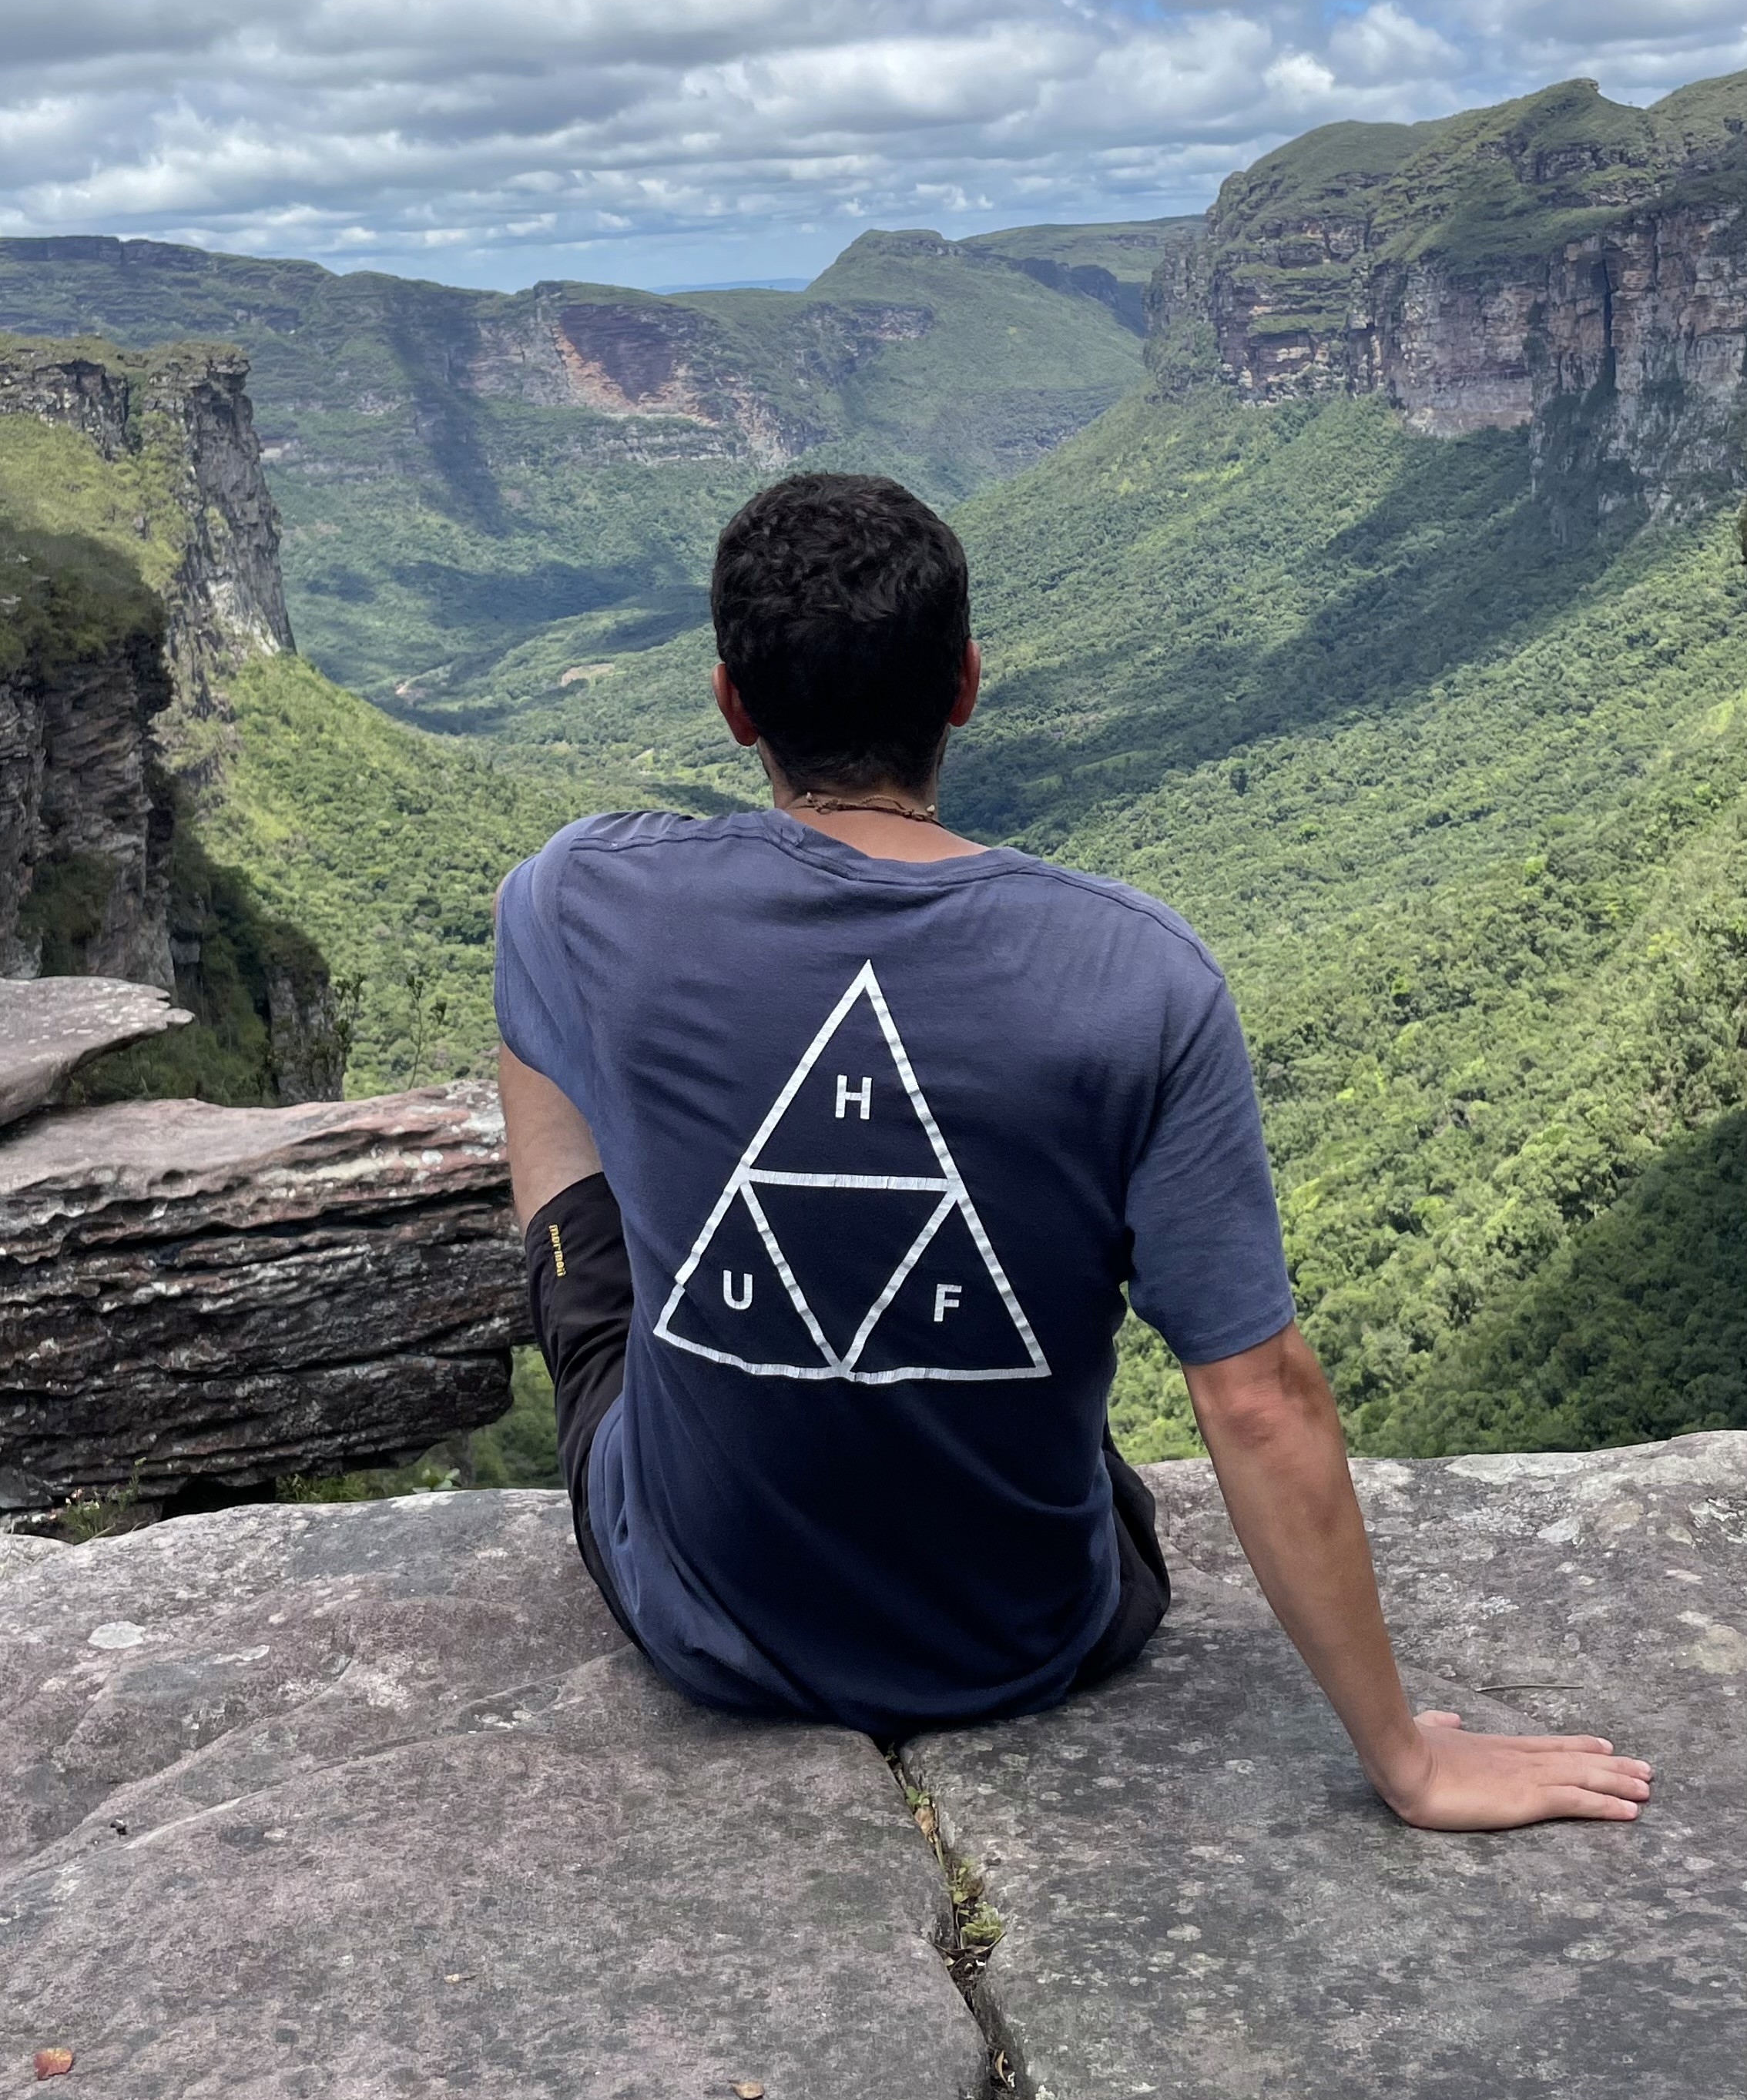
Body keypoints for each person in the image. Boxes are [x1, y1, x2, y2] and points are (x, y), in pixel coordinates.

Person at [495, 471, 1652, 1830]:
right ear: (967, 684)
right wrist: (1403, 1755)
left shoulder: (579, 898)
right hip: (1030, 1642)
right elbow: (1258, 1396)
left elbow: (532, 980)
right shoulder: (1139, 978)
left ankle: (616, 1329)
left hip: (698, 1620)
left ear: (732, 704)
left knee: (557, 1091)